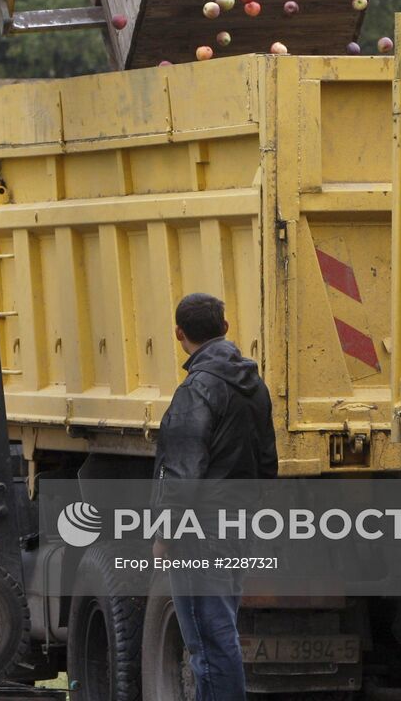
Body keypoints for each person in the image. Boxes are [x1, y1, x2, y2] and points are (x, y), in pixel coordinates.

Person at [153, 292, 278, 701]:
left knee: (209, 641)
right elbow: (266, 462)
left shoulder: (196, 390)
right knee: (220, 631)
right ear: (225, 328)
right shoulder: (254, 386)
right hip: (237, 524)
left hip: (199, 530)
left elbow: (182, 472)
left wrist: (165, 534)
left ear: (178, 334)